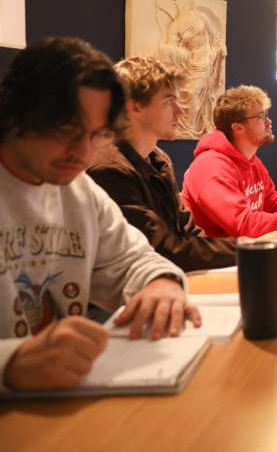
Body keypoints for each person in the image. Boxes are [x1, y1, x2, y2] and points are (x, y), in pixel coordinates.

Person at [0, 37, 201, 392]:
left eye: (98, 136)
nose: (83, 153)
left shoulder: (77, 189)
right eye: (66, 131)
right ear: (15, 111)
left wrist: (161, 283)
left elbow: (131, 257)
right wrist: (10, 363)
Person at [88, 57, 277, 273]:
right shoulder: (109, 170)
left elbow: (188, 233)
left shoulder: (158, 159)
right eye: (169, 102)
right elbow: (162, 249)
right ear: (135, 107)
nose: (181, 111)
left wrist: (252, 247)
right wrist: (252, 247)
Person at [181, 85, 277, 238]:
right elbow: (243, 224)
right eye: (260, 117)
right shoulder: (210, 167)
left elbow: (272, 202)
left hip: (246, 251)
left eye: (266, 114)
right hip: (220, 259)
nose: (268, 121)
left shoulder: (252, 162)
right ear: (237, 128)